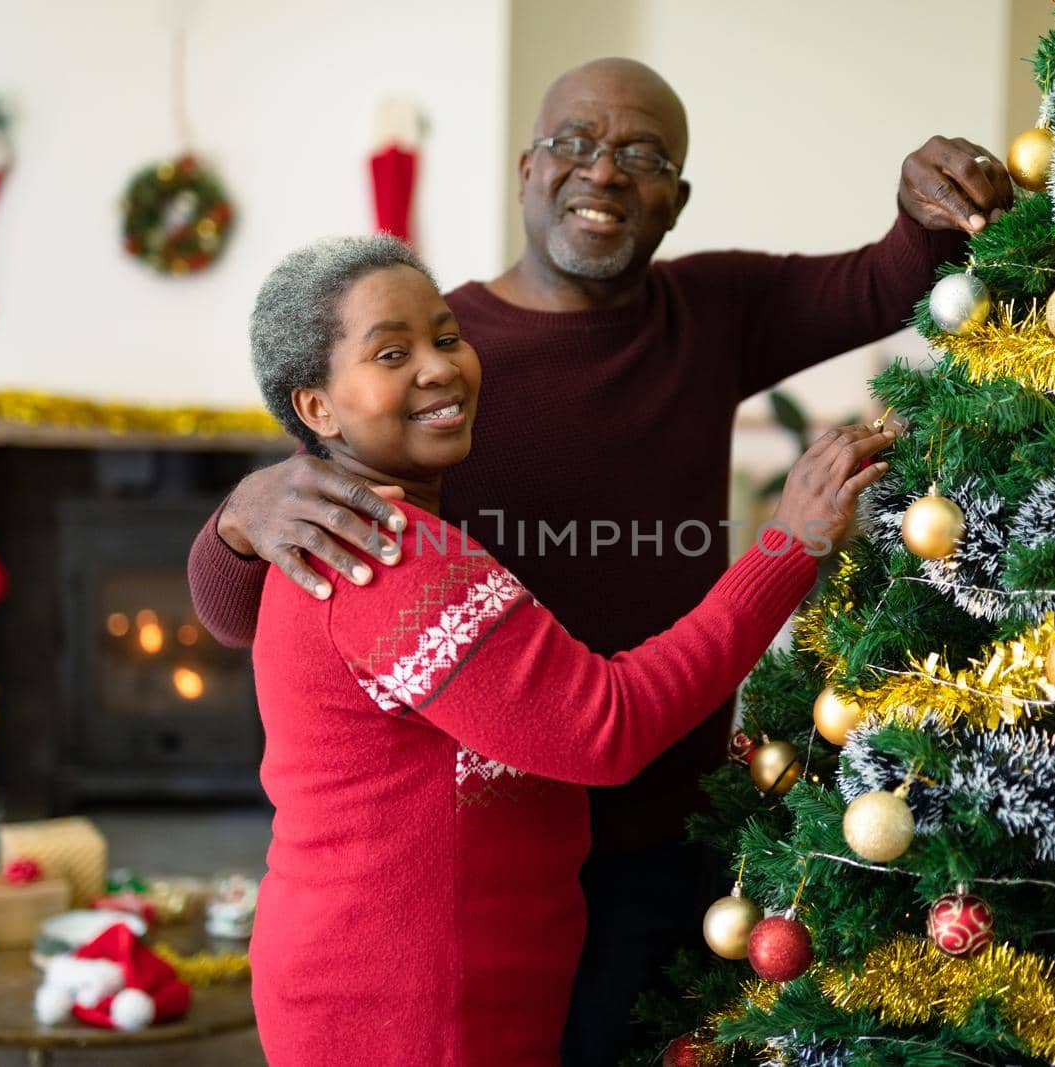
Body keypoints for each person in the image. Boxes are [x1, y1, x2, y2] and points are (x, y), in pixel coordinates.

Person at [189, 58, 1011, 1063]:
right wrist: (236, 514)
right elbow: (264, 608)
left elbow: (886, 274)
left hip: (658, 829)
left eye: (642, 155)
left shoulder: (706, 311)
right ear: (528, 168)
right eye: (575, 143)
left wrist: (927, 202)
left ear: (677, 198)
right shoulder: (407, 396)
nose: (604, 172)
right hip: (481, 845)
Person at [245, 233, 894, 1064]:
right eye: (391, 352)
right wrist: (786, 546)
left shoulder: (376, 529)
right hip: (409, 1008)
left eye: (446, 337)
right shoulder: (390, 553)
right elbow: (602, 727)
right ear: (318, 409)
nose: (440, 367)